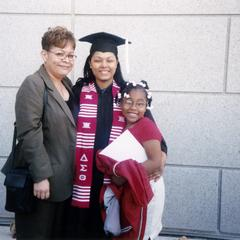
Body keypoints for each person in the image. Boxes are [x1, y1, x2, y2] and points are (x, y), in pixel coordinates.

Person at [68, 32, 167, 239]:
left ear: (117, 63)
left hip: (115, 179)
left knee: (113, 228)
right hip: (83, 176)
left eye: (109, 60)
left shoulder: (128, 95)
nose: (104, 65)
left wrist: (160, 161)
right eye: (98, 59)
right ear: (90, 63)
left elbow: (155, 136)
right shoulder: (78, 92)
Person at [10, 26, 76, 239]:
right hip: (42, 182)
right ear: (44, 55)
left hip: (64, 180)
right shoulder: (34, 84)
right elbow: (29, 132)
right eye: (59, 54)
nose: (66, 60)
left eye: (70, 55)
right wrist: (41, 176)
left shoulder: (67, 84)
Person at [96, 80, 165, 239]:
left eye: (140, 104)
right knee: (130, 228)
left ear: (146, 106)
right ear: (120, 102)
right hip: (132, 184)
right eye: (129, 102)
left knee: (142, 232)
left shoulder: (146, 125)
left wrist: (123, 176)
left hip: (146, 187)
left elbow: (155, 161)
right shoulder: (124, 126)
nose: (134, 108)